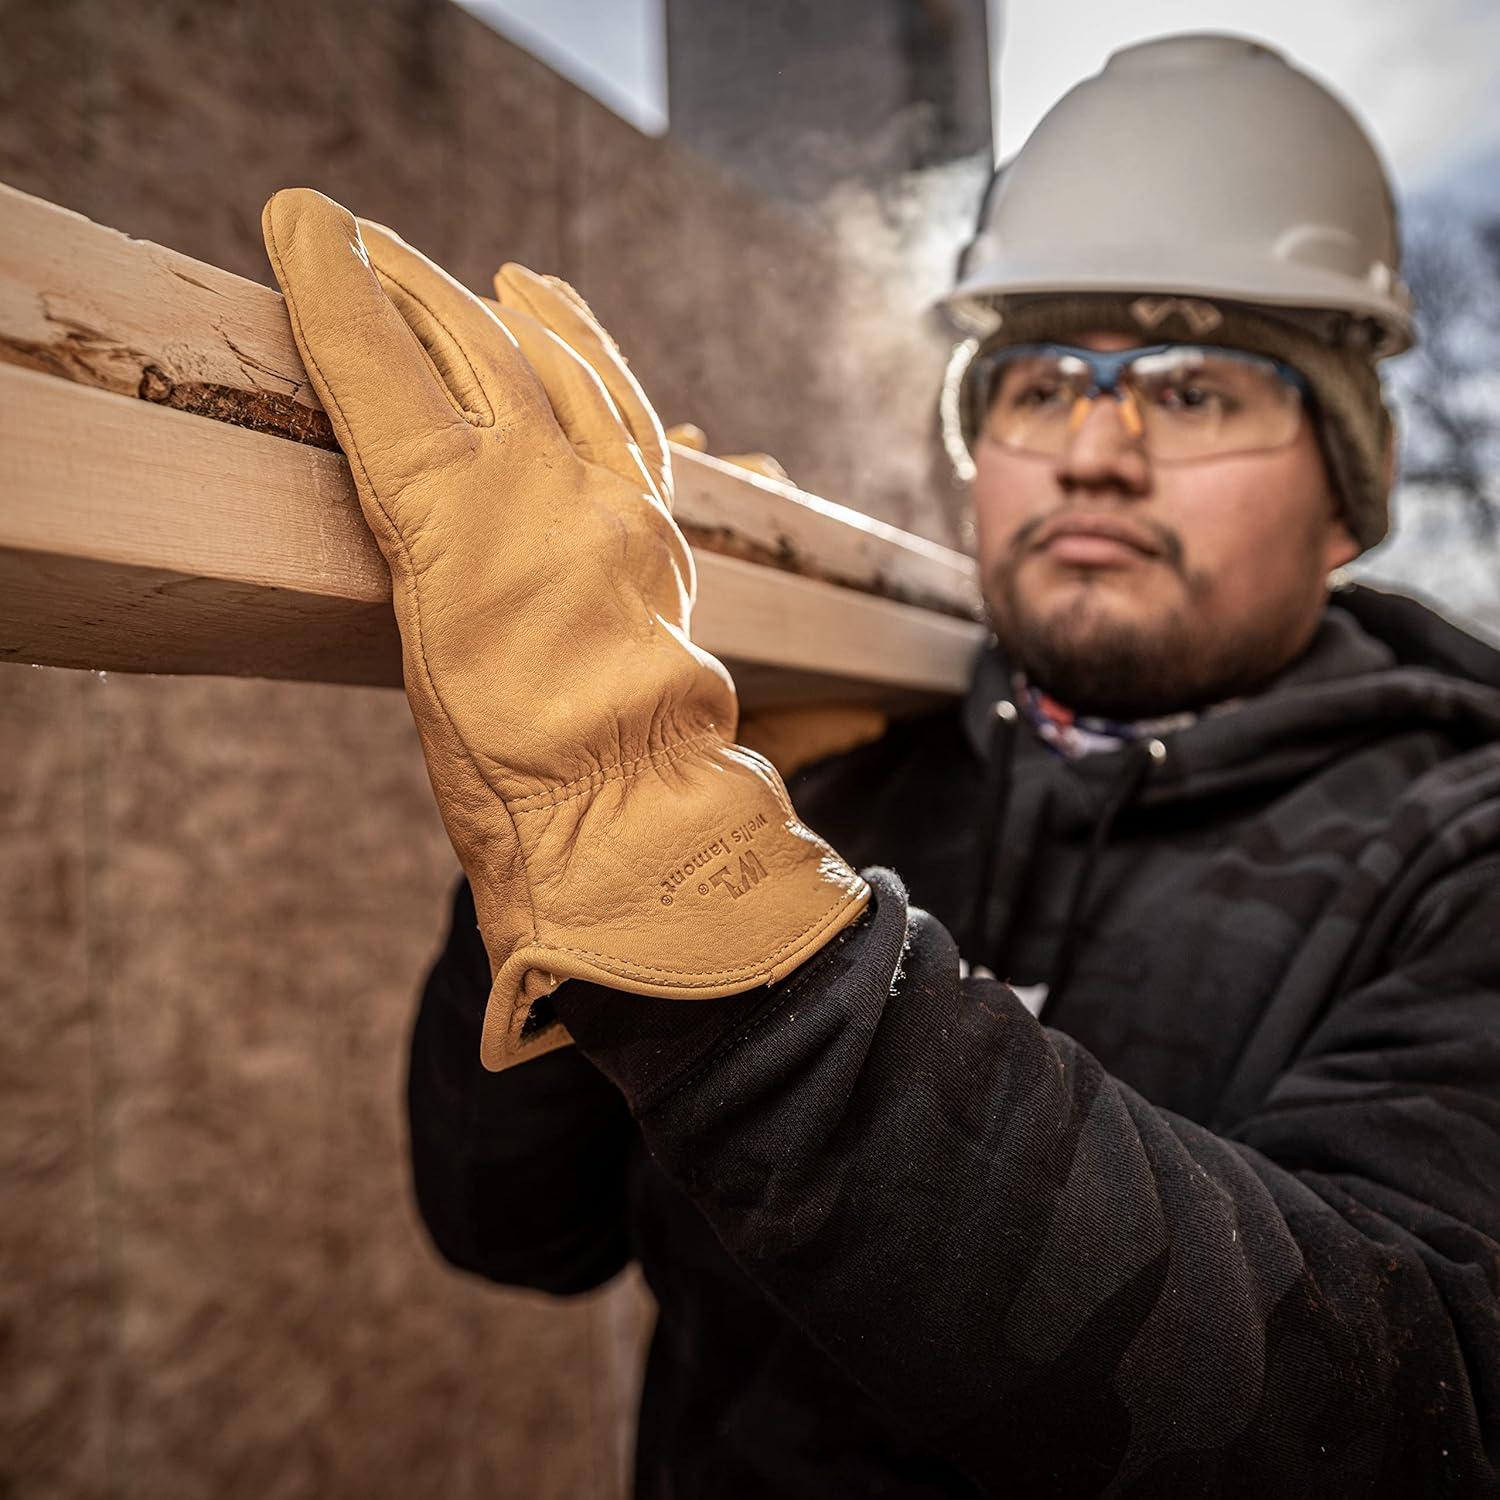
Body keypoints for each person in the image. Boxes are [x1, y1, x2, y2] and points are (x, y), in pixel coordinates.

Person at [268, 33, 1500, 1497]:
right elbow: (515, 1224)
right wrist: (567, 826)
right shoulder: (840, 766)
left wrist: (686, 875)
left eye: (1193, 391)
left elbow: (1391, 1413)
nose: (1094, 450)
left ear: (1352, 488)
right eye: (1038, 385)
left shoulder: (1461, 852)